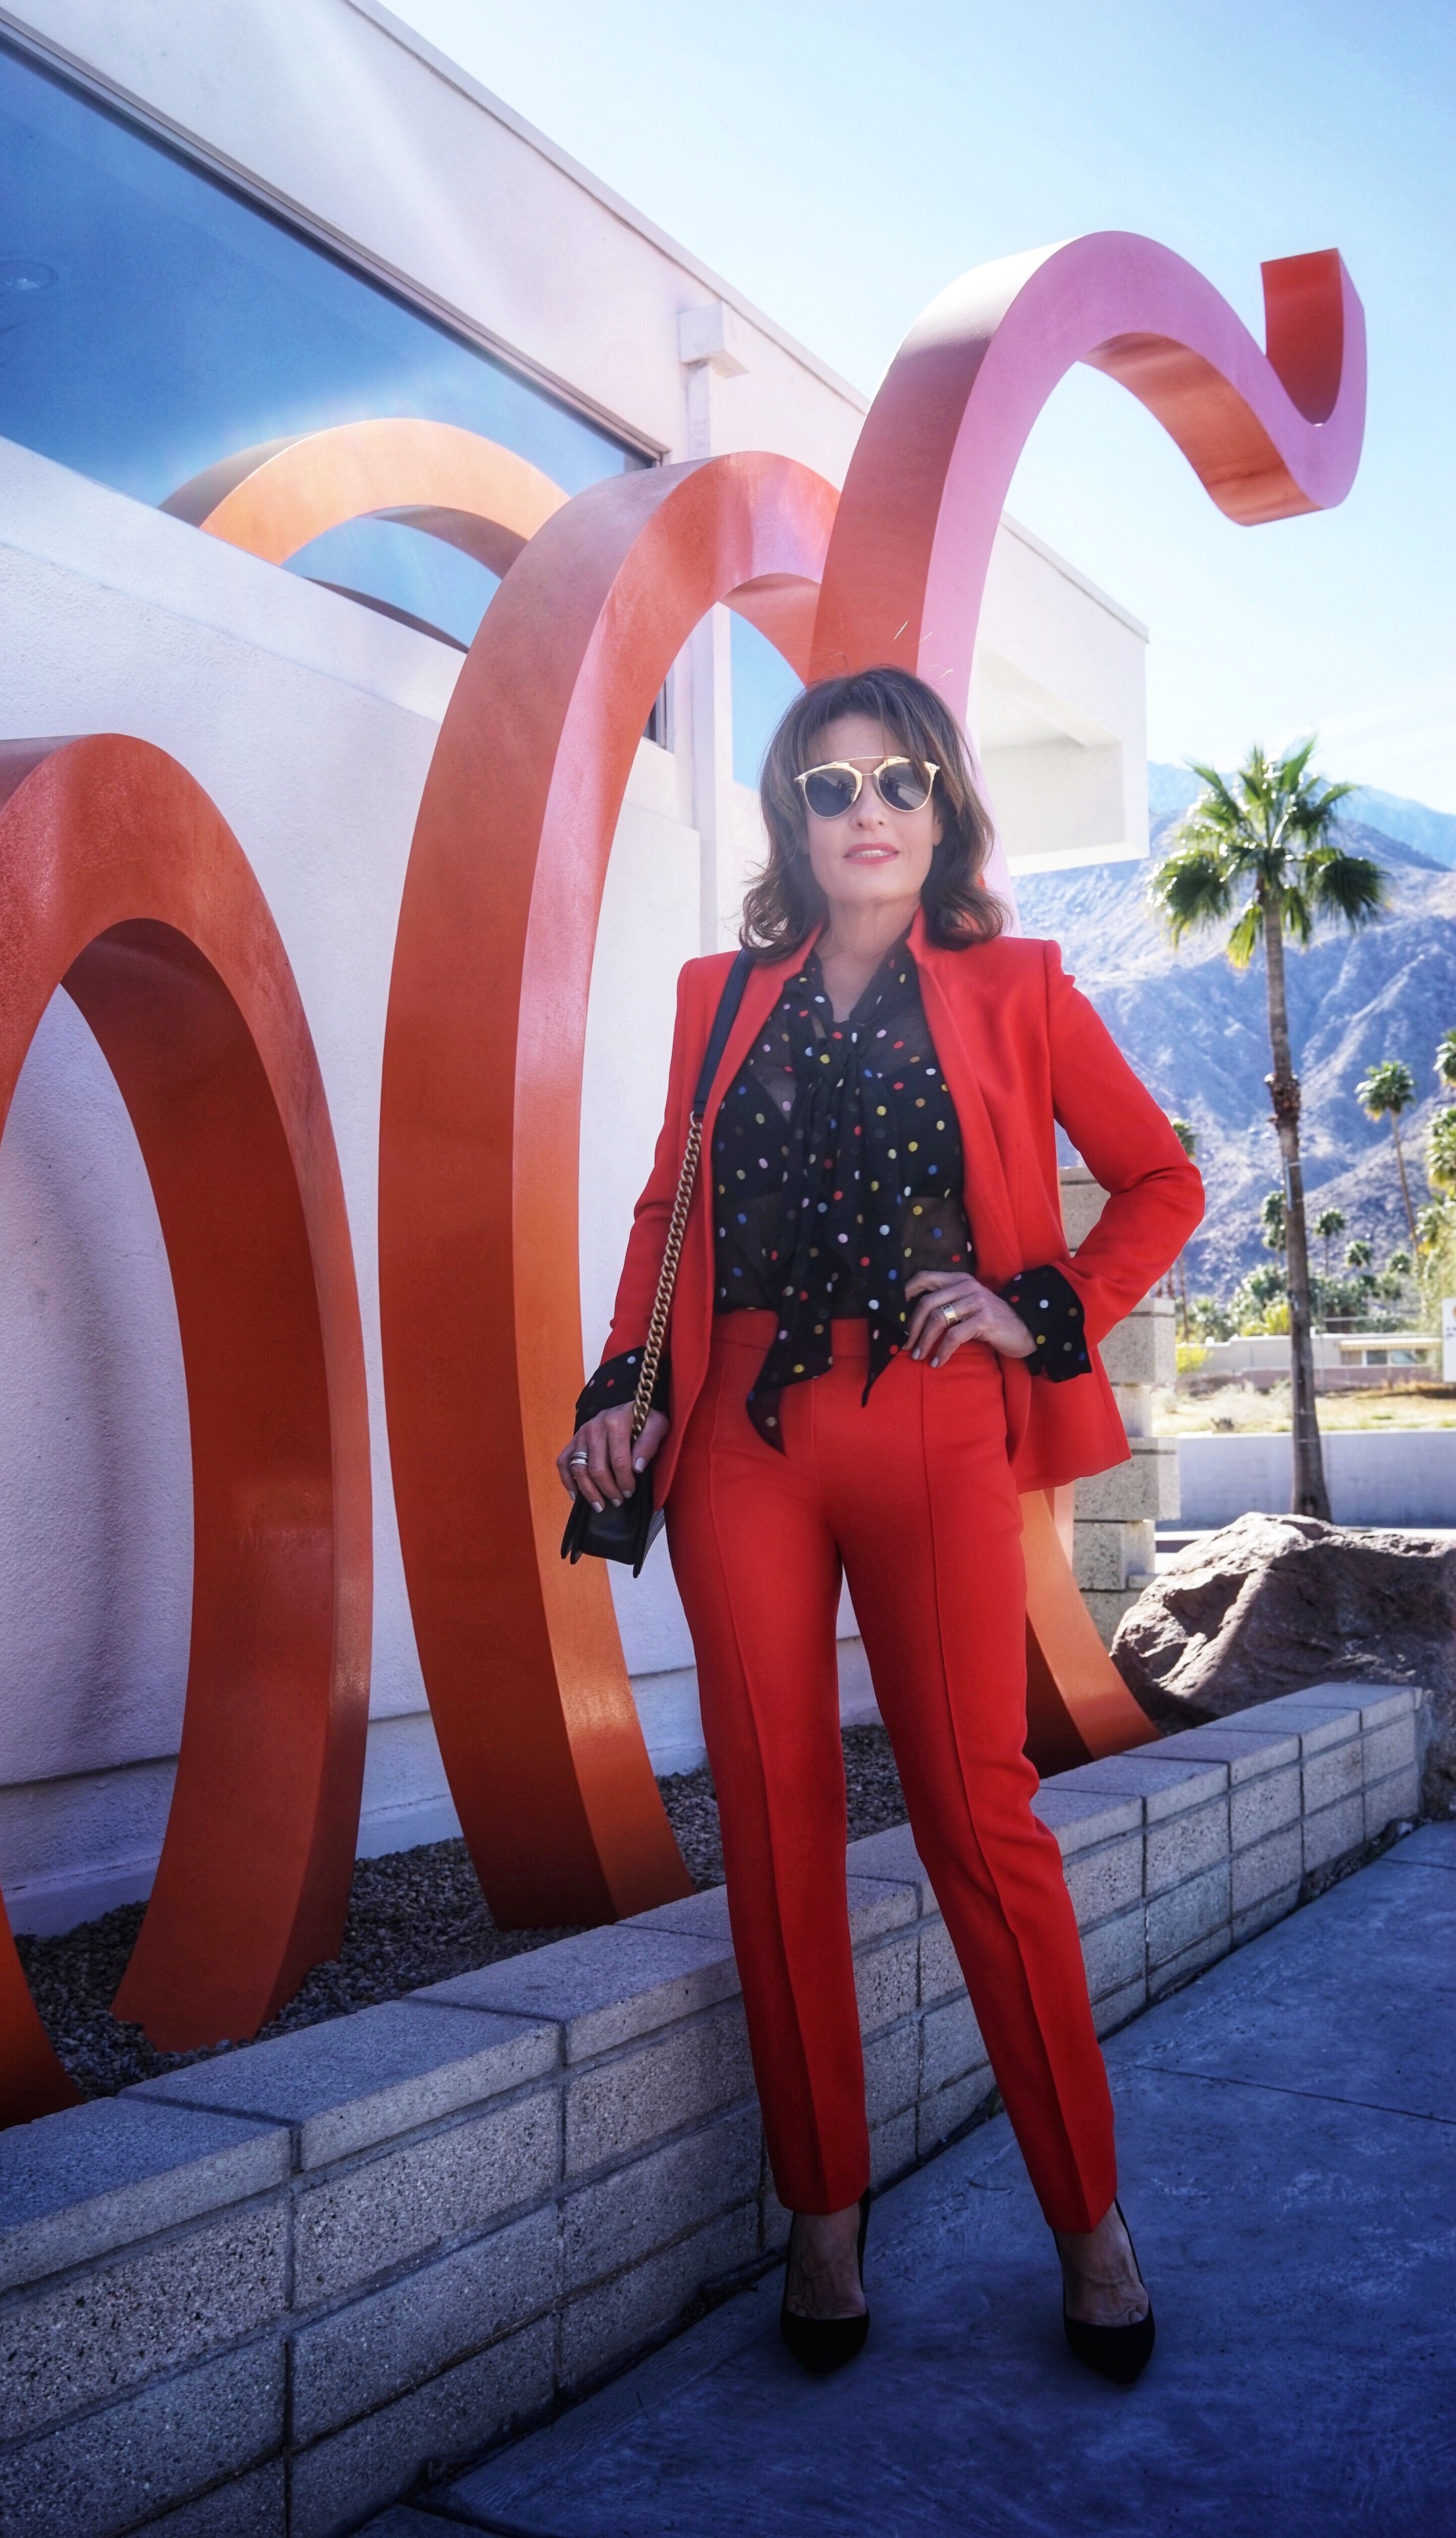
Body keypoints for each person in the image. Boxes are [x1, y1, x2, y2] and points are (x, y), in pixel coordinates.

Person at [557, 665, 1202, 2379]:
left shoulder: (1016, 987)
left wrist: (1034, 1308)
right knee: (769, 1826)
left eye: (897, 781)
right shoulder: (718, 995)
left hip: (928, 1416)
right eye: (827, 784)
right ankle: (821, 2216)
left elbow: (1161, 1179)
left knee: (978, 1822)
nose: (864, 811)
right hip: (740, 1440)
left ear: (943, 810)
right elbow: (662, 1214)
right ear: (790, 814)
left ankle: (1088, 2220)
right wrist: (622, 1385)